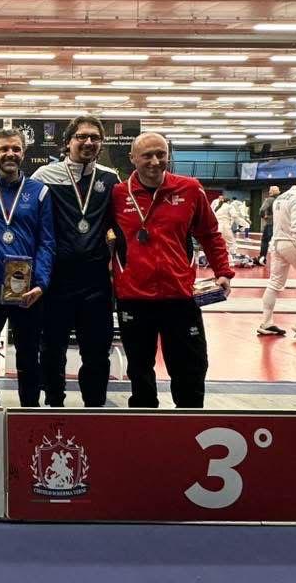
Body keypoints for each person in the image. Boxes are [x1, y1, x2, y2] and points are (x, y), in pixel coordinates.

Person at [110, 132, 233, 408]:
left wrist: (223, 271)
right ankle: (145, 421)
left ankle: (189, 423)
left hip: (179, 294)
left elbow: (210, 234)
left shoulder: (190, 189)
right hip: (134, 296)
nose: (155, 161)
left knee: (191, 366)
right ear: (132, 159)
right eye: (147, 155)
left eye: (161, 154)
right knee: (139, 369)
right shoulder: (118, 194)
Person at [32, 116, 119, 407]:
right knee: (51, 348)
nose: (88, 142)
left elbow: (122, 226)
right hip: (57, 279)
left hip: (95, 281)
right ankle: (54, 404)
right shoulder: (44, 176)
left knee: (97, 351)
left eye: (95, 137)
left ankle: (94, 409)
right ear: (68, 141)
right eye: (82, 136)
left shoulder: (110, 178)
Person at [0, 128, 55, 407]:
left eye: (16, 149)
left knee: (29, 354)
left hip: (26, 289)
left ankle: (29, 410)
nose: (10, 154)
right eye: (4, 149)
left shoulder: (40, 192)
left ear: (24, 153)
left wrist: (41, 283)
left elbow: (47, 242)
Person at [257, 185, 296, 336]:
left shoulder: (282, 197)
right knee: (275, 283)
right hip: (291, 242)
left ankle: (266, 323)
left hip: (276, 243)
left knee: (274, 283)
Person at [215, 197, 248, 262]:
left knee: (219, 244)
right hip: (225, 227)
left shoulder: (218, 208)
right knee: (232, 243)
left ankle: (217, 258)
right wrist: (242, 224)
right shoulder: (229, 206)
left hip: (217, 228)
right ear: (228, 202)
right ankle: (233, 257)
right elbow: (235, 216)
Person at [257, 185, 281, 265]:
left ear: (271, 192)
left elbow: (262, 210)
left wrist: (264, 216)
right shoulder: (281, 200)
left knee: (265, 241)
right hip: (280, 224)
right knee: (278, 242)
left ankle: (262, 258)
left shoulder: (269, 199)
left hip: (270, 223)